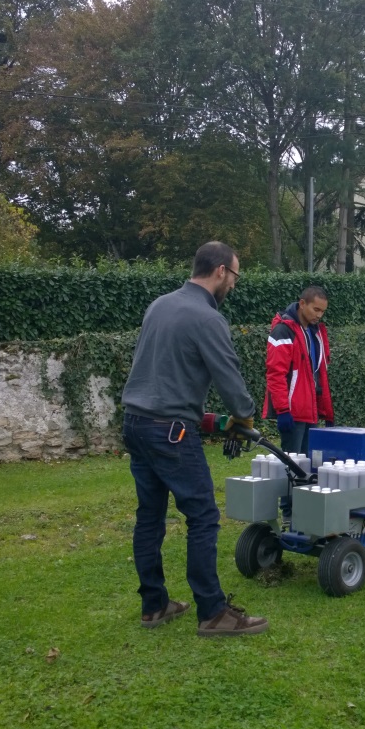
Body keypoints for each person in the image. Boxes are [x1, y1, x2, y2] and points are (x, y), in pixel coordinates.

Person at [120, 241, 269, 637]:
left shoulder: (160, 304)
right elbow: (230, 379)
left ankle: (154, 606)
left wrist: (203, 417)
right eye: (235, 276)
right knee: (202, 517)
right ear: (220, 271)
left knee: (149, 517)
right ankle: (213, 612)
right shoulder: (207, 317)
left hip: (135, 422)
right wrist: (244, 417)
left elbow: (159, 373)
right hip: (170, 431)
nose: (234, 285)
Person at [264, 285, 334, 479]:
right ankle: (288, 509)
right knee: (292, 466)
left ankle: (303, 508)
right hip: (292, 411)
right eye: (316, 309)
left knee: (311, 465)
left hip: (310, 409)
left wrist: (327, 412)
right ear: (302, 304)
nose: (319, 315)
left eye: (322, 311)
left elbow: (320, 375)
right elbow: (275, 374)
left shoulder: (316, 333)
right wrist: (283, 411)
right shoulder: (283, 331)